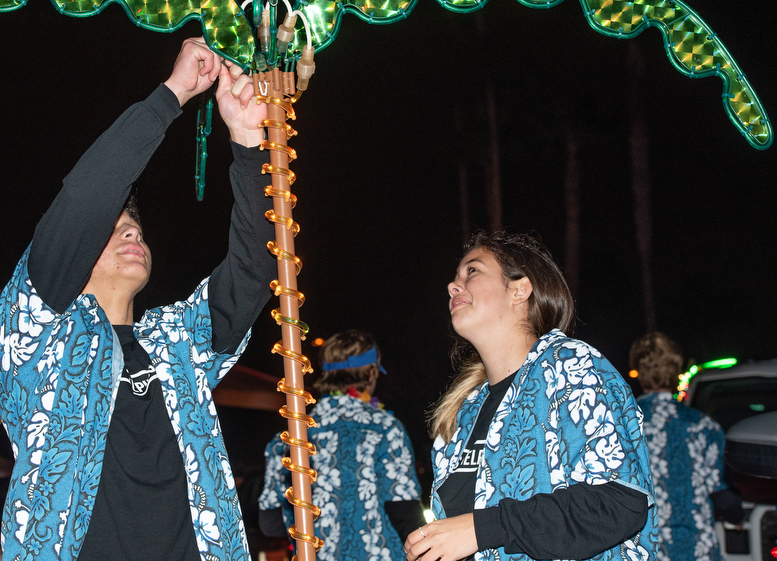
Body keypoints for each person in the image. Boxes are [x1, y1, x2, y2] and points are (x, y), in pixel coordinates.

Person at [0, 37, 275, 561]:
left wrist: (249, 143)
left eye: (136, 227)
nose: (132, 235)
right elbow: (83, 199)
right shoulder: (35, 337)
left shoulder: (179, 341)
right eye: (113, 229)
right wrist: (173, 95)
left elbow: (253, 272)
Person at [405, 231, 658, 561]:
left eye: (472, 271)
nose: (454, 286)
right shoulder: (464, 414)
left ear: (520, 289)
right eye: (454, 278)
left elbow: (619, 502)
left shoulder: (568, 364)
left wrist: (483, 528)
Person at [259, 329, 426, 560]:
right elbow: (404, 512)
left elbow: (271, 524)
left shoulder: (289, 439)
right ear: (370, 374)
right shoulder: (384, 428)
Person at [629, 332, 744, 561]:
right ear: (676, 370)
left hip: (646, 551)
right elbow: (719, 491)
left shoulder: (624, 426)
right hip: (696, 550)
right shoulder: (703, 427)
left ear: (639, 372)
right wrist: (736, 516)